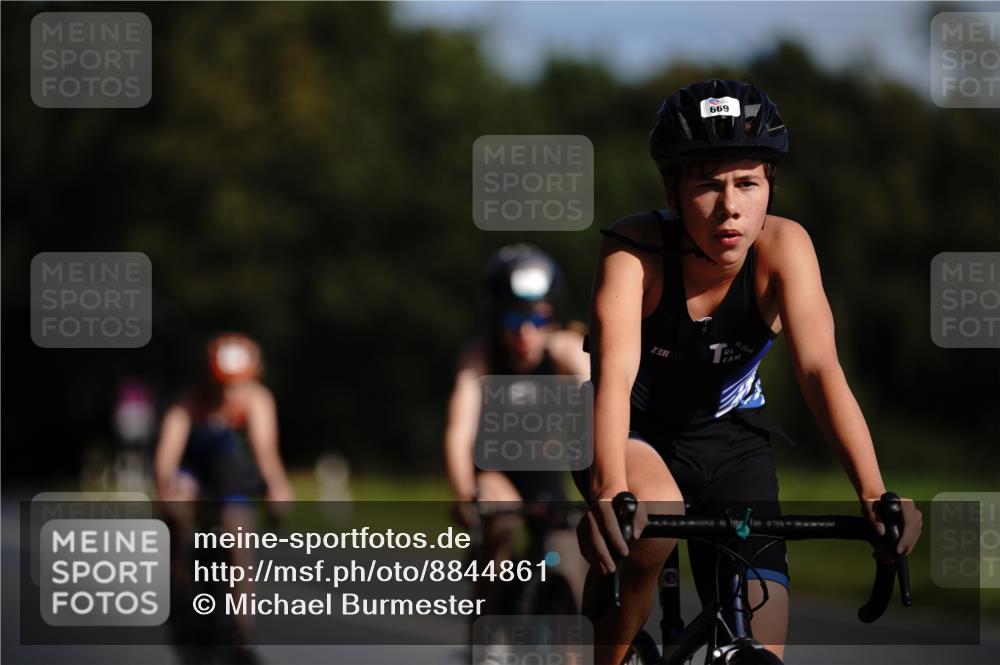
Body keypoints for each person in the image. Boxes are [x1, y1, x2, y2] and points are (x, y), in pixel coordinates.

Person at [574, 79, 923, 664]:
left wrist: (874, 491)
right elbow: (614, 372)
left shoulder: (787, 248)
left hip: (732, 441)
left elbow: (819, 370)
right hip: (630, 430)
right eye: (707, 184)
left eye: (747, 183)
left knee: (761, 648)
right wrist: (611, 489)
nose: (729, 206)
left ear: (770, 187)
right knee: (651, 512)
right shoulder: (633, 250)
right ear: (673, 189)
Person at [443, 244, 590, 610]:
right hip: (493, 469)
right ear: (496, 319)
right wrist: (463, 492)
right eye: (513, 321)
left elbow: (601, 397)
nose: (526, 332)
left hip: (542, 472)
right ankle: (487, 618)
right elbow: (459, 432)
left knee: (573, 559)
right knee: (501, 517)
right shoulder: (480, 358)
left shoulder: (565, 350)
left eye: (538, 320)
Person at [154, 332, 293, 658]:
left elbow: (265, 451)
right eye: (221, 384)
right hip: (191, 478)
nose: (228, 392)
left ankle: (241, 631)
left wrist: (277, 486)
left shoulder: (257, 401)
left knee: (240, 534)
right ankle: (180, 585)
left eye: (237, 384)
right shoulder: (187, 402)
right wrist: (167, 487)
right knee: (177, 512)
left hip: (230, 481)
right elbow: (167, 459)